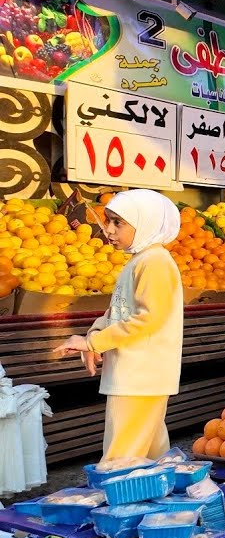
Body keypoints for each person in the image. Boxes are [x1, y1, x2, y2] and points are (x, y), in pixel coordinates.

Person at [53, 190, 183, 460]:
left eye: (118, 223)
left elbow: (149, 318)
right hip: (136, 374)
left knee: (121, 456)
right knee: (149, 453)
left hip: (140, 374)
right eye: (108, 220)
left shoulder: (155, 262)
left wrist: (92, 342)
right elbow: (120, 311)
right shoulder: (141, 260)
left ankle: (120, 498)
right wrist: (95, 332)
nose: (108, 230)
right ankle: (158, 495)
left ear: (145, 222)